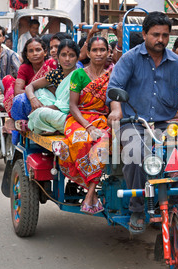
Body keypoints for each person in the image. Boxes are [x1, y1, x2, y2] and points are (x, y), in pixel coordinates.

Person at [106, 11, 178, 233]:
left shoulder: (176, 62)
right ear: (145, 33)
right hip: (134, 121)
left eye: (165, 35)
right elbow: (114, 87)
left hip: (165, 123)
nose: (160, 39)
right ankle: (138, 208)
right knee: (135, 153)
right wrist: (117, 110)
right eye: (155, 34)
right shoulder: (130, 58)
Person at [58, 35, 114, 215]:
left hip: (101, 119)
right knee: (81, 142)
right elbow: (73, 106)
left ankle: (90, 193)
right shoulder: (78, 74)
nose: (99, 54)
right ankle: (92, 193)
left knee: (103, 143)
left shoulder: (112, 75)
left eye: (102, 50)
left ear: (108, 52)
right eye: (95, 50)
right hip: (78, 119)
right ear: (88, 52)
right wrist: (88, 127)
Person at [23, 39, 80, 135]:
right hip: (54, 111)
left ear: (77, 58)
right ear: (57, 57)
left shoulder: (79, 75)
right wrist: (33, 99)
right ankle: (49, 126)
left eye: (71, 55)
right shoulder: (56, 74)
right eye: (63, 55)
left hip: (69, 117)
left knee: (40, 113)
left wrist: (41, 108)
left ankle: (48, 126)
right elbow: (30, 86)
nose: (67, 59)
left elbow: (65, 108)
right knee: (40, 91)